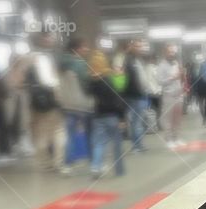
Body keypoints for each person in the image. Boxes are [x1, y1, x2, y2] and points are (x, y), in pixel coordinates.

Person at [26, 31, 65, 171]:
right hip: (50, 102)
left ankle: (44, 162)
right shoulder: (44, 58)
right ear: (43, 40)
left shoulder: (29, 58)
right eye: (50, 38)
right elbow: (50, 82)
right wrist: (58, 96)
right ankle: (57, 162)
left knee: (41, 133)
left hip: (36, 102)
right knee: (58, 132)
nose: (52, 40)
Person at [86, 49, 127, 178]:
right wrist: (122, 118)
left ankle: (95, 167)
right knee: (117, 144)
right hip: (113, 116)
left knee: (98, 143)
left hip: (98, 116)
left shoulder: (91, 82)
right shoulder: (110, 79)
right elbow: (118, 99)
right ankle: (119, 170)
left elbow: (88, 95)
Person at [57, 36, 93, 174]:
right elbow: (86, 84)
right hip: (82, 104)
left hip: (67, 104)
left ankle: (67, 165)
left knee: (69, 135)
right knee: (90, 133)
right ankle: (93, 161)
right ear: (77, 49)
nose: (86, 49)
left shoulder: (60, 64)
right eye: (84, 47)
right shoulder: (79, 63)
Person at [121, 40, 150, 153]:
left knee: (138, 121)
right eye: (137, 46)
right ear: (132, 47)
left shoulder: (138, 60)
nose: (140, 48)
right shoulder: (128, 60)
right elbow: (127, 79)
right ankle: (136, 146)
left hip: (141, 94)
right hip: (133, 95)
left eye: (141, 46)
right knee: (135, 122)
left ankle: (138, 144)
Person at [157, 46, 184, 147]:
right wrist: (172, 78)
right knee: (168, 118)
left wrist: (181, 76)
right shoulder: (161, 66)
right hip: (168, 95)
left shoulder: (176, 63)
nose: (172, 54)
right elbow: (159, 81)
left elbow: (179, 78)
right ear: (165, 53)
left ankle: (177, 138)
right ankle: (168, 140)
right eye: (170, 52)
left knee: (177, 118)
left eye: (173, 52)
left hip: (178, 94)